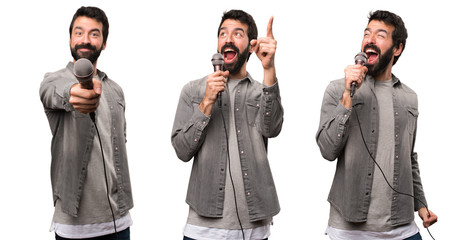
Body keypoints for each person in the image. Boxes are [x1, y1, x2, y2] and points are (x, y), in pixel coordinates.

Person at [315, 10, 437, 239]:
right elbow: (327, 150)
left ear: (397, 48)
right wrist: (346, 98)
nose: (369, 40)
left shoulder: (409, 97)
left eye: (380, 35)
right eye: (366, 33)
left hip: (401, 225)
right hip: (349, 229)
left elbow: (408, 157)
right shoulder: (337, 89)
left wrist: (421, 205)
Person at [171, 9, 283, 240]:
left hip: (254, 227)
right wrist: (207, 102)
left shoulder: (262, 91)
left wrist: (269, 69)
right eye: (223, 34)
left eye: (237, 34)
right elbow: (182, 150)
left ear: (252, 46)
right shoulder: (193, 91)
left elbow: (273, 129)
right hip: (203, 229)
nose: (228, 39)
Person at [39, 6, 133, 240]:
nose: (85, 40)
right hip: (75, 225)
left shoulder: (115, 90)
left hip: (119, 219)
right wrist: (75, 93)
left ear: (103, 43)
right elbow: (53, 92)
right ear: (70, 38)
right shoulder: (54, 80)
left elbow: (118, 144)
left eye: (94, 34)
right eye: (79, 32)